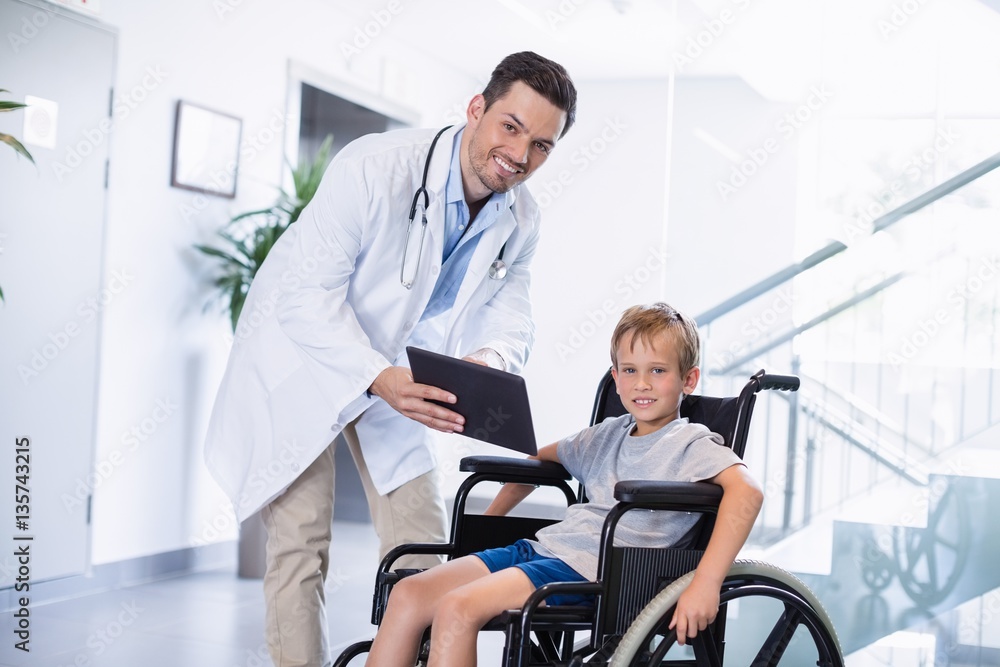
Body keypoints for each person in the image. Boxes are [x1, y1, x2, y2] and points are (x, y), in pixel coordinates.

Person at [202, 52, 577, 667]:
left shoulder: (521, 218)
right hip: (305, 358)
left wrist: (491, 355)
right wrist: (377, 377)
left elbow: (513, 310)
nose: (519, 154)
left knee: (423, 541)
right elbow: (304, 298)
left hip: (400, 368)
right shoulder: (374, 168)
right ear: (476, 110)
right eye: (510, 126)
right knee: (301, 543)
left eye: (541, 144)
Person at [366, 303, 766, 667]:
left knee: (457, 607)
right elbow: (541, 458)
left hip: (595, 571)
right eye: (630, 370)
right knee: (409, 593)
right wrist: (490, 519)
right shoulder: (607, 434)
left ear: (688, 379)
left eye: (657, 371)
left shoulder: (691, 442)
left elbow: (747, 492)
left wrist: (706, 583)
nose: (641, 383)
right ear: (616, 377)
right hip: (543, 551)